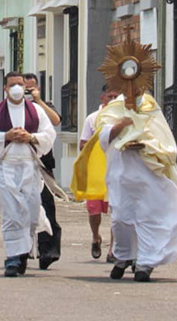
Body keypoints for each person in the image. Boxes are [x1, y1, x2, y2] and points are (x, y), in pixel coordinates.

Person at [94, 92, 177, 282]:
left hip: (147, 170)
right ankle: (123, 257)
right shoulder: (114, 107)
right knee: (121, 218)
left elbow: (162, 137)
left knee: (148, 217)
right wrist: (121, 125)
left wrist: (146, 144)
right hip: (121, 171)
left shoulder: (149, 105)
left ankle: (145, 263)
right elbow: (103, 138)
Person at [0, 72, 57, 277]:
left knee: (30, 211)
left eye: (20, 84)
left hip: (29, 167)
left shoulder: (36, 111)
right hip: (6, 166)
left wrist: (31, 136)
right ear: (5, 88)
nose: (17, 88)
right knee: (12, 212)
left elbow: (49, 134)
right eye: (12, 85)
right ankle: (12, 258)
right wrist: (6, 135)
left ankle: (24, 252)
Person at [22, 73, 62, 270]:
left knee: (46, 207)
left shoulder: (44, 106)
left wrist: (38, 101)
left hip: (43, 166)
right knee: (22, 210)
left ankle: (49, 251)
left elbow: (56, 120)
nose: (28, 92)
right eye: (24, 88)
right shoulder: (13, 109)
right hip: (20, 165)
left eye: (31, 88)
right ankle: (24, 250)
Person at [77, 85, 119, 262]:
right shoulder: (93, 119)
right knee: (94, 210)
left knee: (117, 210)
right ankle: (95, 236)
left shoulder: (123, 119)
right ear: (102, 98)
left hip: (116, 169)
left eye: (117, 96)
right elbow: (82, 144)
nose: (113, 100)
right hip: (97, 172)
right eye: (110, 96)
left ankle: (113, 249)